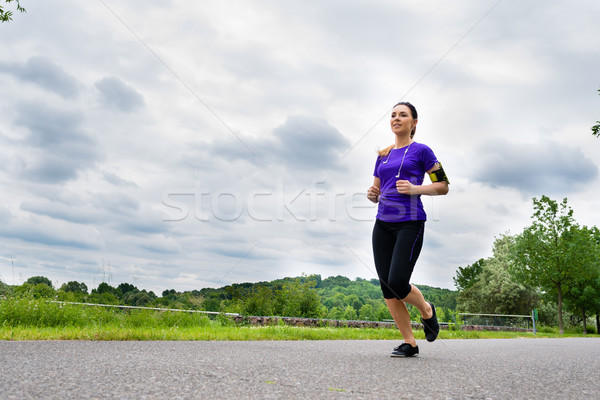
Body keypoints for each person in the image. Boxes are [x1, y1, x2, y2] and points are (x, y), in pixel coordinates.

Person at [367, 101, 449, 357]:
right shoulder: (383, 155)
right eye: (393, 115)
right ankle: (409, 343)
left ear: (413, 123)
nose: (396, 118)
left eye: (403, 115)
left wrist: (416, 189)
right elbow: (377, 189)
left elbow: (443, 185)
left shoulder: (423, 151)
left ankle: (427, 310)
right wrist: (372, 194)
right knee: (386, 286)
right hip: (382, 224)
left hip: (410, 223)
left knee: (398, 282)